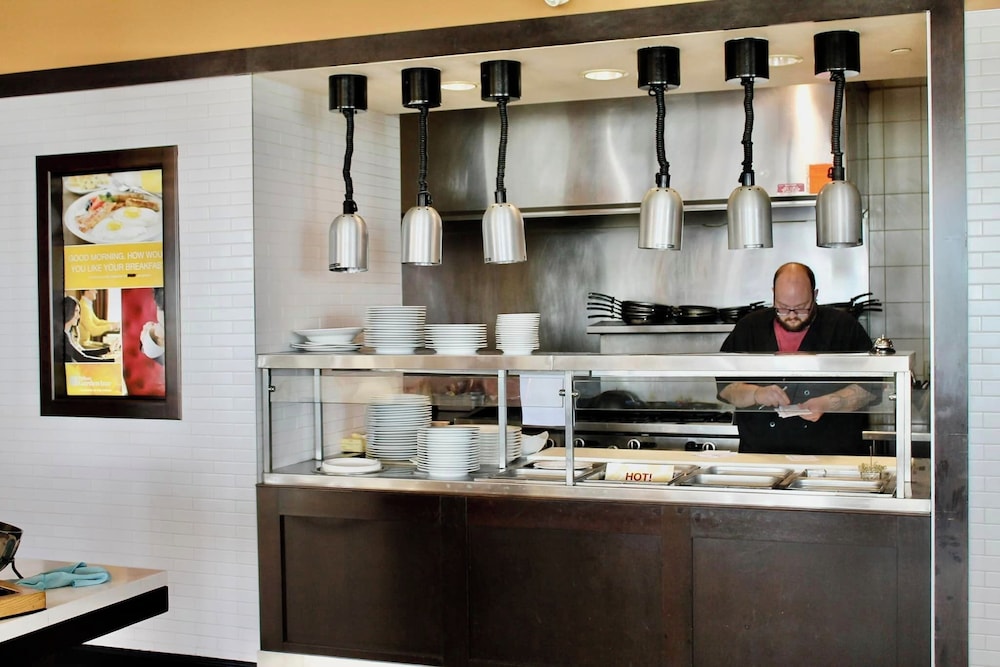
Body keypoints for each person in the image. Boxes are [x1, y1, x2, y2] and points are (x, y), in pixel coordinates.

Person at [717, 262, 876, 455]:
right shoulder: (749, 327)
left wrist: (830, 402)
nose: (792, 316)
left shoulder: (843, 327)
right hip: (763, 455)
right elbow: (725, 387)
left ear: (815, 295)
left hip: (831, 455)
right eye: (783, 308)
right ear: (773, 294)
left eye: (801, 308)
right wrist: (756, 393)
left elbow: (871, 388)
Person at [62, 296, 112, 363]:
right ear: (68, 310)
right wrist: (112, 361)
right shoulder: (62, 335)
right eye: (76, 311)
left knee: (101, 357)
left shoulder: (69, 332)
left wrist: (108, 349)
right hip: (74, 368)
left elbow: (81, 352)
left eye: (79, 312)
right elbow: (81, 358)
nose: (79, 316)